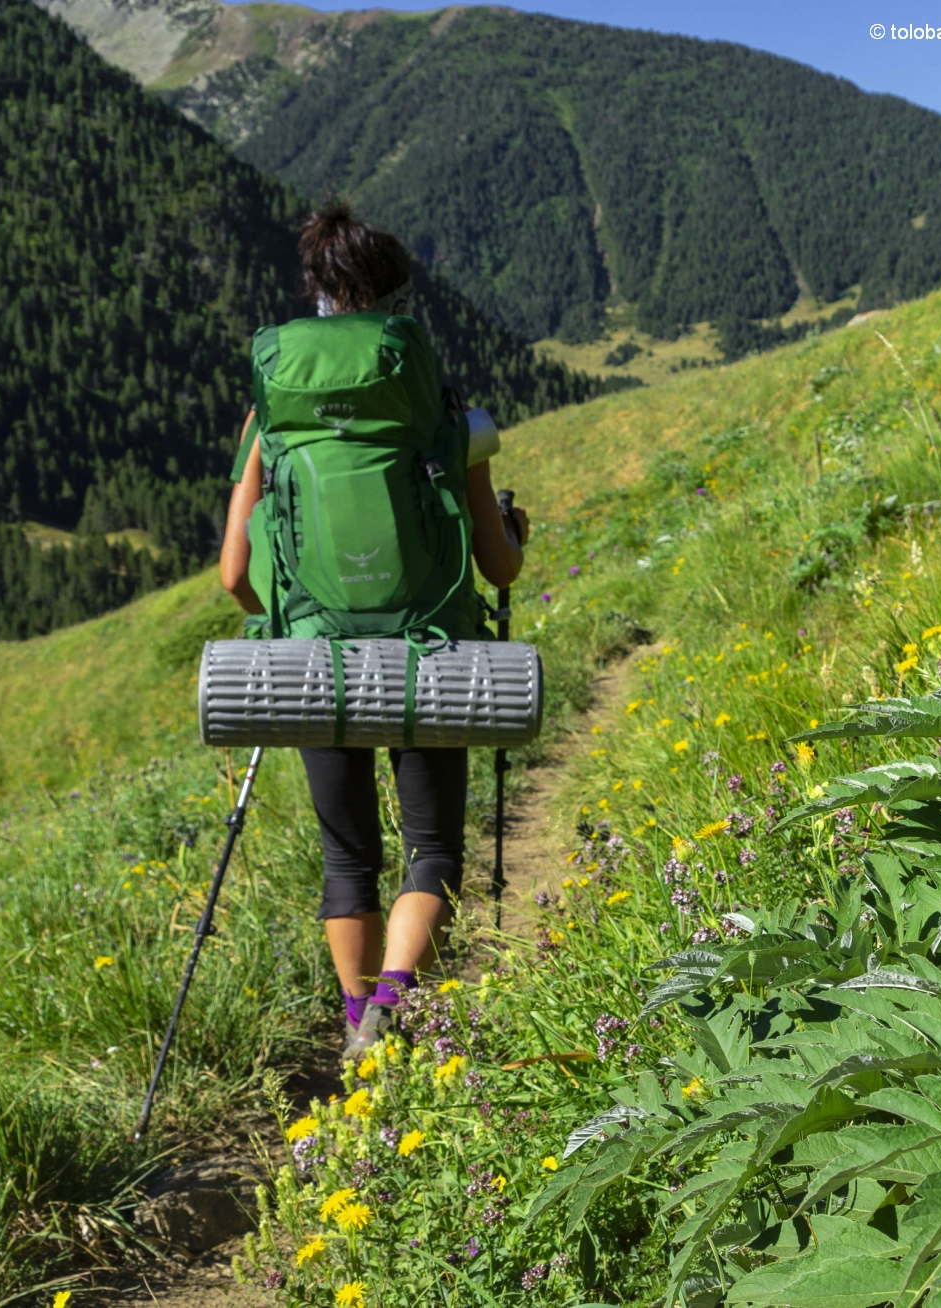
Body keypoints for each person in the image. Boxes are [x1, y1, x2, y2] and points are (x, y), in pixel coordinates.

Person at [218, 201, 530, 1058]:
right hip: (428, 649)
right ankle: (397, 998)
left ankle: (362, 1027)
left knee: (345, 857)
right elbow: (497, 569)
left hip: (315, 654)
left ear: (316, 297)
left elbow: (235, 576)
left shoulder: (269, 422)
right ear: (396, 302)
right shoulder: (440, 410)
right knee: (433, 847)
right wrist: (513, 535)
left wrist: (290, 618)